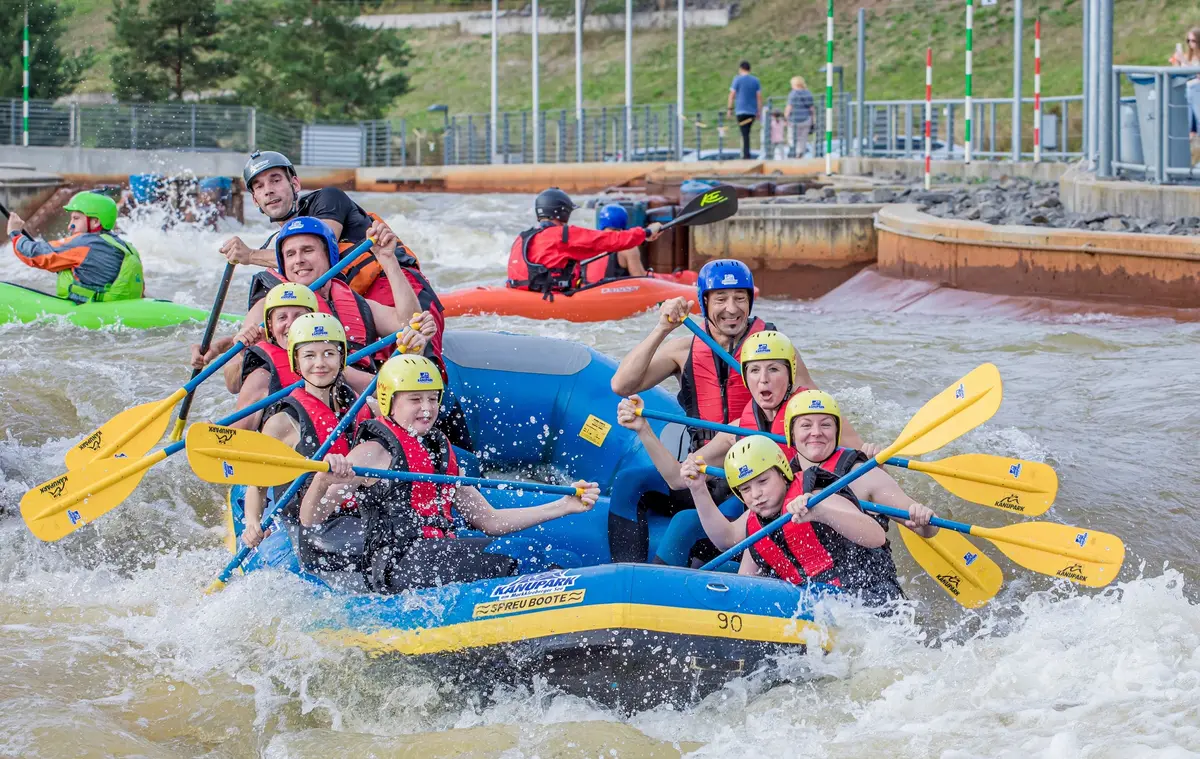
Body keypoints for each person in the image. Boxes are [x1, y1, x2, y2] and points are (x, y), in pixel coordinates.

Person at [301, 354, 601, 593]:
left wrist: (563, 506)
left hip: (437, 552)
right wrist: (322, 481)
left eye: (432, 399)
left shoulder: (439, 450)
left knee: (535, 550)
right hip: (399, 563)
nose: (427, 409)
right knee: (514, 554)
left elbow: (490, 521)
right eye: (415, 400)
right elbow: (311, 519)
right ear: (389, 401)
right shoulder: (372, 452)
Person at [616, 330, 864, 566]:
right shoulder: (738, 431)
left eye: (774, 369)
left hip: (803, 519)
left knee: (686, 526)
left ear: (790, 375)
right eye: (754, 370)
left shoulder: (815, 423)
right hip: (760, 516)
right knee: (689, 526)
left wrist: (872, 458)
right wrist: (643, 429)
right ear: (746, 378)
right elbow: (676, 478)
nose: (763, 379)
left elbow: (860, 461)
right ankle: (639, 588)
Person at [218, 150, 445, 355]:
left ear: (295, 184)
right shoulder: (273, 245)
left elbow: (326, 242)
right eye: (259, 186)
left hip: (399, 288)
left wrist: (249, 256)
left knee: (415, 360)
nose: (268, 190)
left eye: (275, 180)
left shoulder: (327, 198)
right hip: (360, 307)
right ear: (255, 199)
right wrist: (233, 344)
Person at [193, 216, 431, 376]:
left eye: (308, 250)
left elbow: (411, 323)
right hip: (293, 415)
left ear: (330, 257)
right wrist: (243, 350)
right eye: (290, 254)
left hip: (358, 407)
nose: (299, 260)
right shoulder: (268, 308)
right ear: (283, 265)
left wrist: (388, 261)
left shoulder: (356, 304)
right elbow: (234, 383)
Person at [682, 435, 902, 603]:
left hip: (868, 598)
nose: (756, 494)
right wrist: (698, 489)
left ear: (782, 473)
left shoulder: (815, 496)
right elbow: (726, 541)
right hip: (813, 608)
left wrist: (820, 512)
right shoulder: (757, 522)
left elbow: (876, 536)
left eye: (763, 481)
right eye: (746, 489)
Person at [240, 313, 383, 570]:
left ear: (342, 357)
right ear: (296, 361)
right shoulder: (283, 423)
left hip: (360, 512)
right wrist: (252, 523)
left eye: (329, 353)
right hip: (315, 527)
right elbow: (257, 485)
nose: (320, 363)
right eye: (309, 355)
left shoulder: (365, 406)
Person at [506, 188, 663, 297]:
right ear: (563, 213)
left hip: (522, 292)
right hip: (549, 297)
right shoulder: (564, 235)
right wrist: (646, 232)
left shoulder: (523, 237)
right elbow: (611, 240)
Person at [7, 191, 144, 303]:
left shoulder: (84, 243)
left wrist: (15, 234)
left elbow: (34, 255)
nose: (70, 225)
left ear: (95, 221)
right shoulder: (126, 247)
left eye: (76, 218)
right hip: (117, 309)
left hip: (91, 312)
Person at [593, 203, 648, 278]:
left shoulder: (588, 244)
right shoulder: (629, 249)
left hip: (588, 288)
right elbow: (641, 281)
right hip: (617, 288)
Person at [727, 61, 762, 160]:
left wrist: (729, 109)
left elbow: (732, 95)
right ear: (749, 69)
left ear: (741, 69)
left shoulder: (737, 80)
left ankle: (746, 155)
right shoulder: (756, 80)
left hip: (741, 110)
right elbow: (759, 97)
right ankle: (746, 153)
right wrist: (759, 111)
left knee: (744, 133)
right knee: (746, 132)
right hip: (752, 112)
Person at [784, 76, 815, 158]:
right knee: (803, 139)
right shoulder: (808, 93)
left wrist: (785, 118)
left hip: (794, 120)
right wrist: (813, 120)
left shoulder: (793, 94)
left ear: (794, 84)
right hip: (806, 119)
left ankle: (795, 152)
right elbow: (812, 108)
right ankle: (800, 153)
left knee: (792, 137)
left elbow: (789, 107)